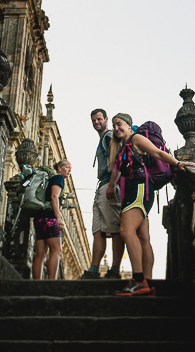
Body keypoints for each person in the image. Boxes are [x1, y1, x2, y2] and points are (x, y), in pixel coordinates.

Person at [106, 113, 195, 296]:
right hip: (134, 191)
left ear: (129, 125)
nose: (116, 128)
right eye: (114, 125)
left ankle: (139, 281)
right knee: (142, 237)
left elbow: (157, 152)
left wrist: (177, 163)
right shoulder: (123, 147)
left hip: (140, 189)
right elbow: (119, 171)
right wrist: (111, 186)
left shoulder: (136, 139)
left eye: (120, 124)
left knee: (126, 231)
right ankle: (147, 283)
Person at [80, 109, 125, 279]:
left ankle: (114, 269)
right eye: (93, 120)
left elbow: (118, 161)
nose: (96, 122)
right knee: (97, 230)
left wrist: (112, 185)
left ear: (106, 119)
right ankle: (94, 269)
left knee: (114, 229)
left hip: (110, 185)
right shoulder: (103, 139)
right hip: (101, 187)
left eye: (99, 119)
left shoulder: (109, 136)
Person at [32, 159, 70, 280]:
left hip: (39, 218)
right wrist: (58, 217)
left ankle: (36, 283)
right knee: (56, 250)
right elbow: (54, 196)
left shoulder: (50, 180)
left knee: (41, 254)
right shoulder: (59, 179)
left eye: (70, 169)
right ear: (59, 168)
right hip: (50, 218)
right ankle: (51, 282)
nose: (69, 171)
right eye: (67, 167)